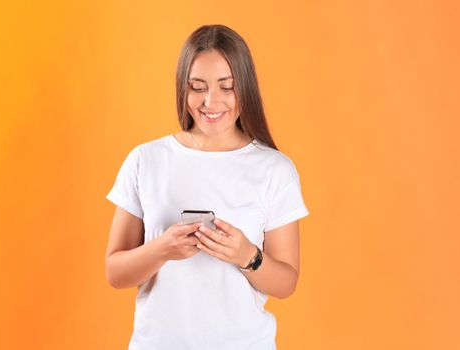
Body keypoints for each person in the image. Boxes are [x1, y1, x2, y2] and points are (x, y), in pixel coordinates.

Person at [104, 24, 310, 350]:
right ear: (182, 90)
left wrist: (248, 256)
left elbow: (286, 283)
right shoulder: (146, 160)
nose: (211, 102)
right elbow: (115, 272)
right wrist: (161, 249)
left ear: (245, 88)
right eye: (197, 87)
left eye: (226, 87)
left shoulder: (275, 169)